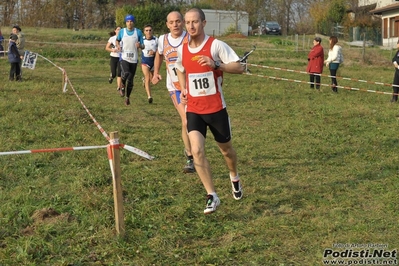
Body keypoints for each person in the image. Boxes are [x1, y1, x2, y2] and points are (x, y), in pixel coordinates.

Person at [175, 8, 245, 214]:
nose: (190, 26)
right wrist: (183, 89)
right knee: (196, 150)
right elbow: (180, 69)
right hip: (194, 109)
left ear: (204, 23)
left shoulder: (215, 45)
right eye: (187, 22)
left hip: (216, 110)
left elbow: (240, 67)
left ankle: (234, 176)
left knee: (227, 151)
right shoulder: (183, 48)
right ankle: (212, 195)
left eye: (195, 22)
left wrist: (216, 64)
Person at [151, 11, 195, 174]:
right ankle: (190, 156)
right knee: (186, 121)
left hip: (192, 87)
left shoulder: (189, 38)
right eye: (172, 22)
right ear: (167, 24)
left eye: (178, 21)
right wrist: (156, 72)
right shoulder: (163, 39)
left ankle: (195, 151)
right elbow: (159, 55)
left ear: (182, 22)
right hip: (174, 87)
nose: (175, 25)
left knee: (192, 121)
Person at [115, 14, 144, 106]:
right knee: (126, 73)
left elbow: (143, 46)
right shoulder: (122, 31)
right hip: (124, 57)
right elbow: (117, 40)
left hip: (134, 59)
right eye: (127, 21)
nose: (129, 23)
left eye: (131, 21)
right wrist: (118, 45)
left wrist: (140, 46)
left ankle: (127, 98)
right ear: (126, 23)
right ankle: (122, 85)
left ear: (133, 22)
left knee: (131, 81)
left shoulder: (138, 32)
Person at [141, 24, 158, 104]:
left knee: (153, 81)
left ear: (152, 31)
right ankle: (149, 96)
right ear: (144, 32)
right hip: (145, 62)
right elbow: (137, 46)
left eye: (150, 30)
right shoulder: (142, 40)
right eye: (147, 30)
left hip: (154, 62)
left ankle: (144, 80)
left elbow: (160, 51)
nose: (148, 32)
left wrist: (154, 52)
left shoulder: (156, 40)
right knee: (147, 78)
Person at [105, 26, 122, 92]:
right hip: (113, 57)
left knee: (119, 72)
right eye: (118, 29)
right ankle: (111, 77)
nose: (119, 31)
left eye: (120, 30)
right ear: (115, 31)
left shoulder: (123, 38)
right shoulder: (112, 38)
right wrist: (112, 50)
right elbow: (106, 48)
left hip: (121, 57)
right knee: (114, 73)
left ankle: (118, 87)